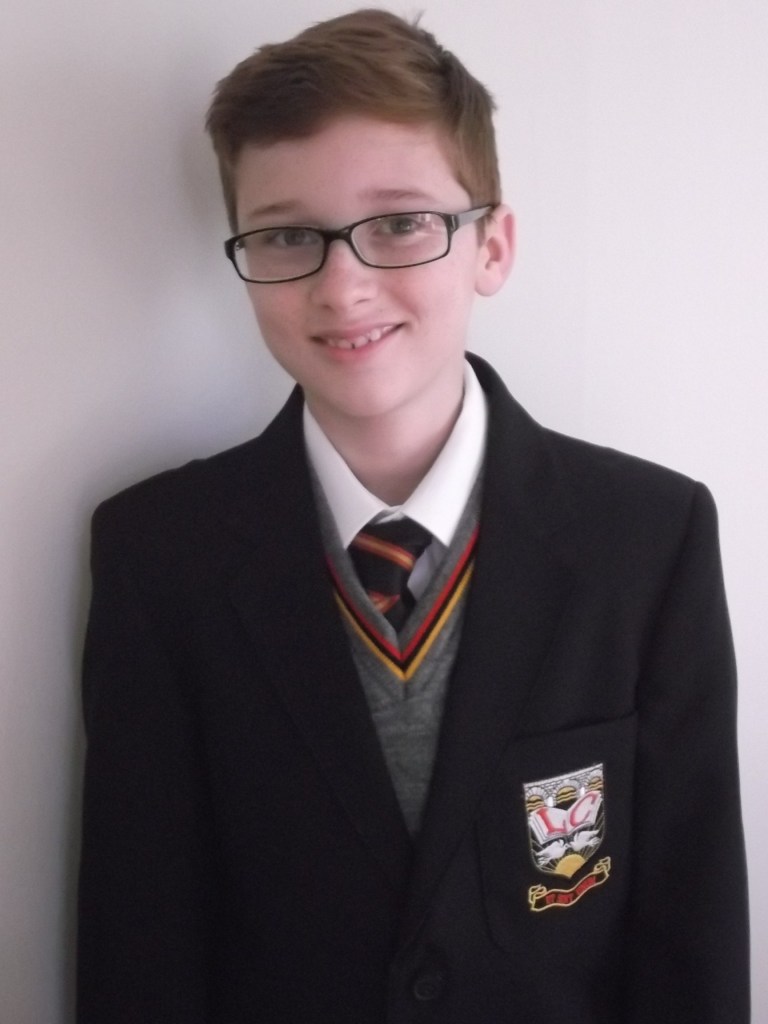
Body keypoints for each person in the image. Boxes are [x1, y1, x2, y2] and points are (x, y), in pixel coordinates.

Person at [76, 9, 750, 1023]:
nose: (343, 286)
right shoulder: (158, 556)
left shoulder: (650, 540)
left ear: (492, 246)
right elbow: (141, 944)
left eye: (399, 223)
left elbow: (692, 938)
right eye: (288, 235)